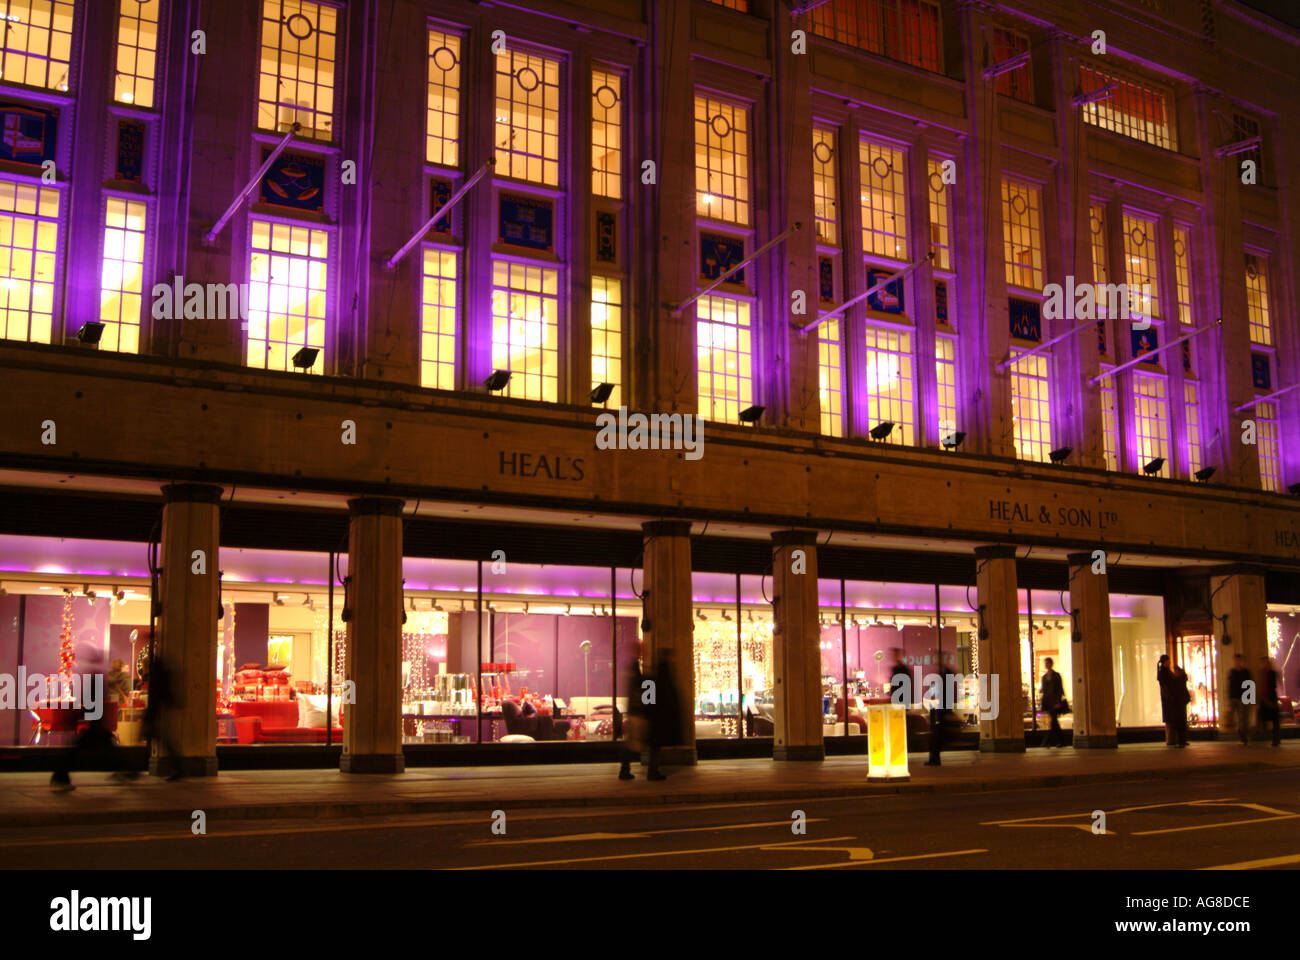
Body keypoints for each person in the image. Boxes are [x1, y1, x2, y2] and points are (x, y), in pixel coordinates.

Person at [143, 651, 184, 780]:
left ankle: (132, 770)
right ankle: (178, 767)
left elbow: (156, 694)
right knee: (164, 741)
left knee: (160, 740)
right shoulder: (161, 672)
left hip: (155, 713)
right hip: (158, 712)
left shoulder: (155, 674)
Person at [646, 649, 683, 781]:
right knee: (655, 747)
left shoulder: (653, 676)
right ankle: (652, 771)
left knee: (654, 747)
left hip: (656, 717)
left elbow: (648, 699)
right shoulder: (664, 676)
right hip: (659, 718)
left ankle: (653, 770)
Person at [925, 653, 958, 766]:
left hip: (943, 708)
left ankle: (934, 758)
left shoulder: (946, 673)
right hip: (941, 707)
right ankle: (934, 757)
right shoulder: (944, 672)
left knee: (937, 734)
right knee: (936, 734)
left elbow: (947, 691)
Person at [616, 658, 646, 781]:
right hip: (640, 716)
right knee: (643, 742)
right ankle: (652, 770)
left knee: (630, 743)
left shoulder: (632, 682)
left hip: (634, 715)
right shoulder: (643, 681)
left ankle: (625, 768)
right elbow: (649, 700)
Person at [1039, 657, 1066, 747]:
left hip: (1055, 702)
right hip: (1048, 702)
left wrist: (1058, 701)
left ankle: (1047, 741)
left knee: (1053, 721)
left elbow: (1059, 689)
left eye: (1047, 663)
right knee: (1054, 722)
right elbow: (1044, 690)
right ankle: (1058, 741)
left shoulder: (1056, 675)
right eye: (1045, 663)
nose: (1046, 665)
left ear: (1051, 664)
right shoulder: (1044, 677)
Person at [1227, 654, 1253, 746]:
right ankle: (1240, 734)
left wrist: (1250, 699)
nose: (1237, 662)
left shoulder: (1245, 672)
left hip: (1243, 698)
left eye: (1239, 660)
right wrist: (1229, 699)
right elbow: (1230, 686)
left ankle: (1243, 736)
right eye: (1236, 660)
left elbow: (1250, 685)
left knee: (1243, 718)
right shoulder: (1232, 672)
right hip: (1234, 697)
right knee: (1235, 717)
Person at [1258, 656, 1281, 747]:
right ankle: (1273, 737)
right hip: (1265, 699)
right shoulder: (1262, 673)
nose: (1263, 664)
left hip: (1270, 698)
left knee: (1274, 719)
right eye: (1262, 662)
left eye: (1265, 662)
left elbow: (1272, 686)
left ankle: (1275, 738)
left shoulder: (1271, 673)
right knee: (1265, 718)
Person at [1157, 654, 1176, 746]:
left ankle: (1171, 738)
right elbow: (1166, 684)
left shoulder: (1164, 671)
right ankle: (1170, 739)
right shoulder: (1164, 672)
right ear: (1165, 662)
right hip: (1167, 698)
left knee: (1170, 717)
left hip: (1168, 697)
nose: (1170, 663)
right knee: (1170, 718)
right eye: (1168, 661)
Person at [1170, 664, 1190, 748]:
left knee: (1179, 723)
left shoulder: (1177, 681)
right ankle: (1183, 740)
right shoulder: (1182, 680)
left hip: (1178, 703)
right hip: (1182, 703)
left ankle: (1180, 741)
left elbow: (1176, 692)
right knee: (1182, 722)